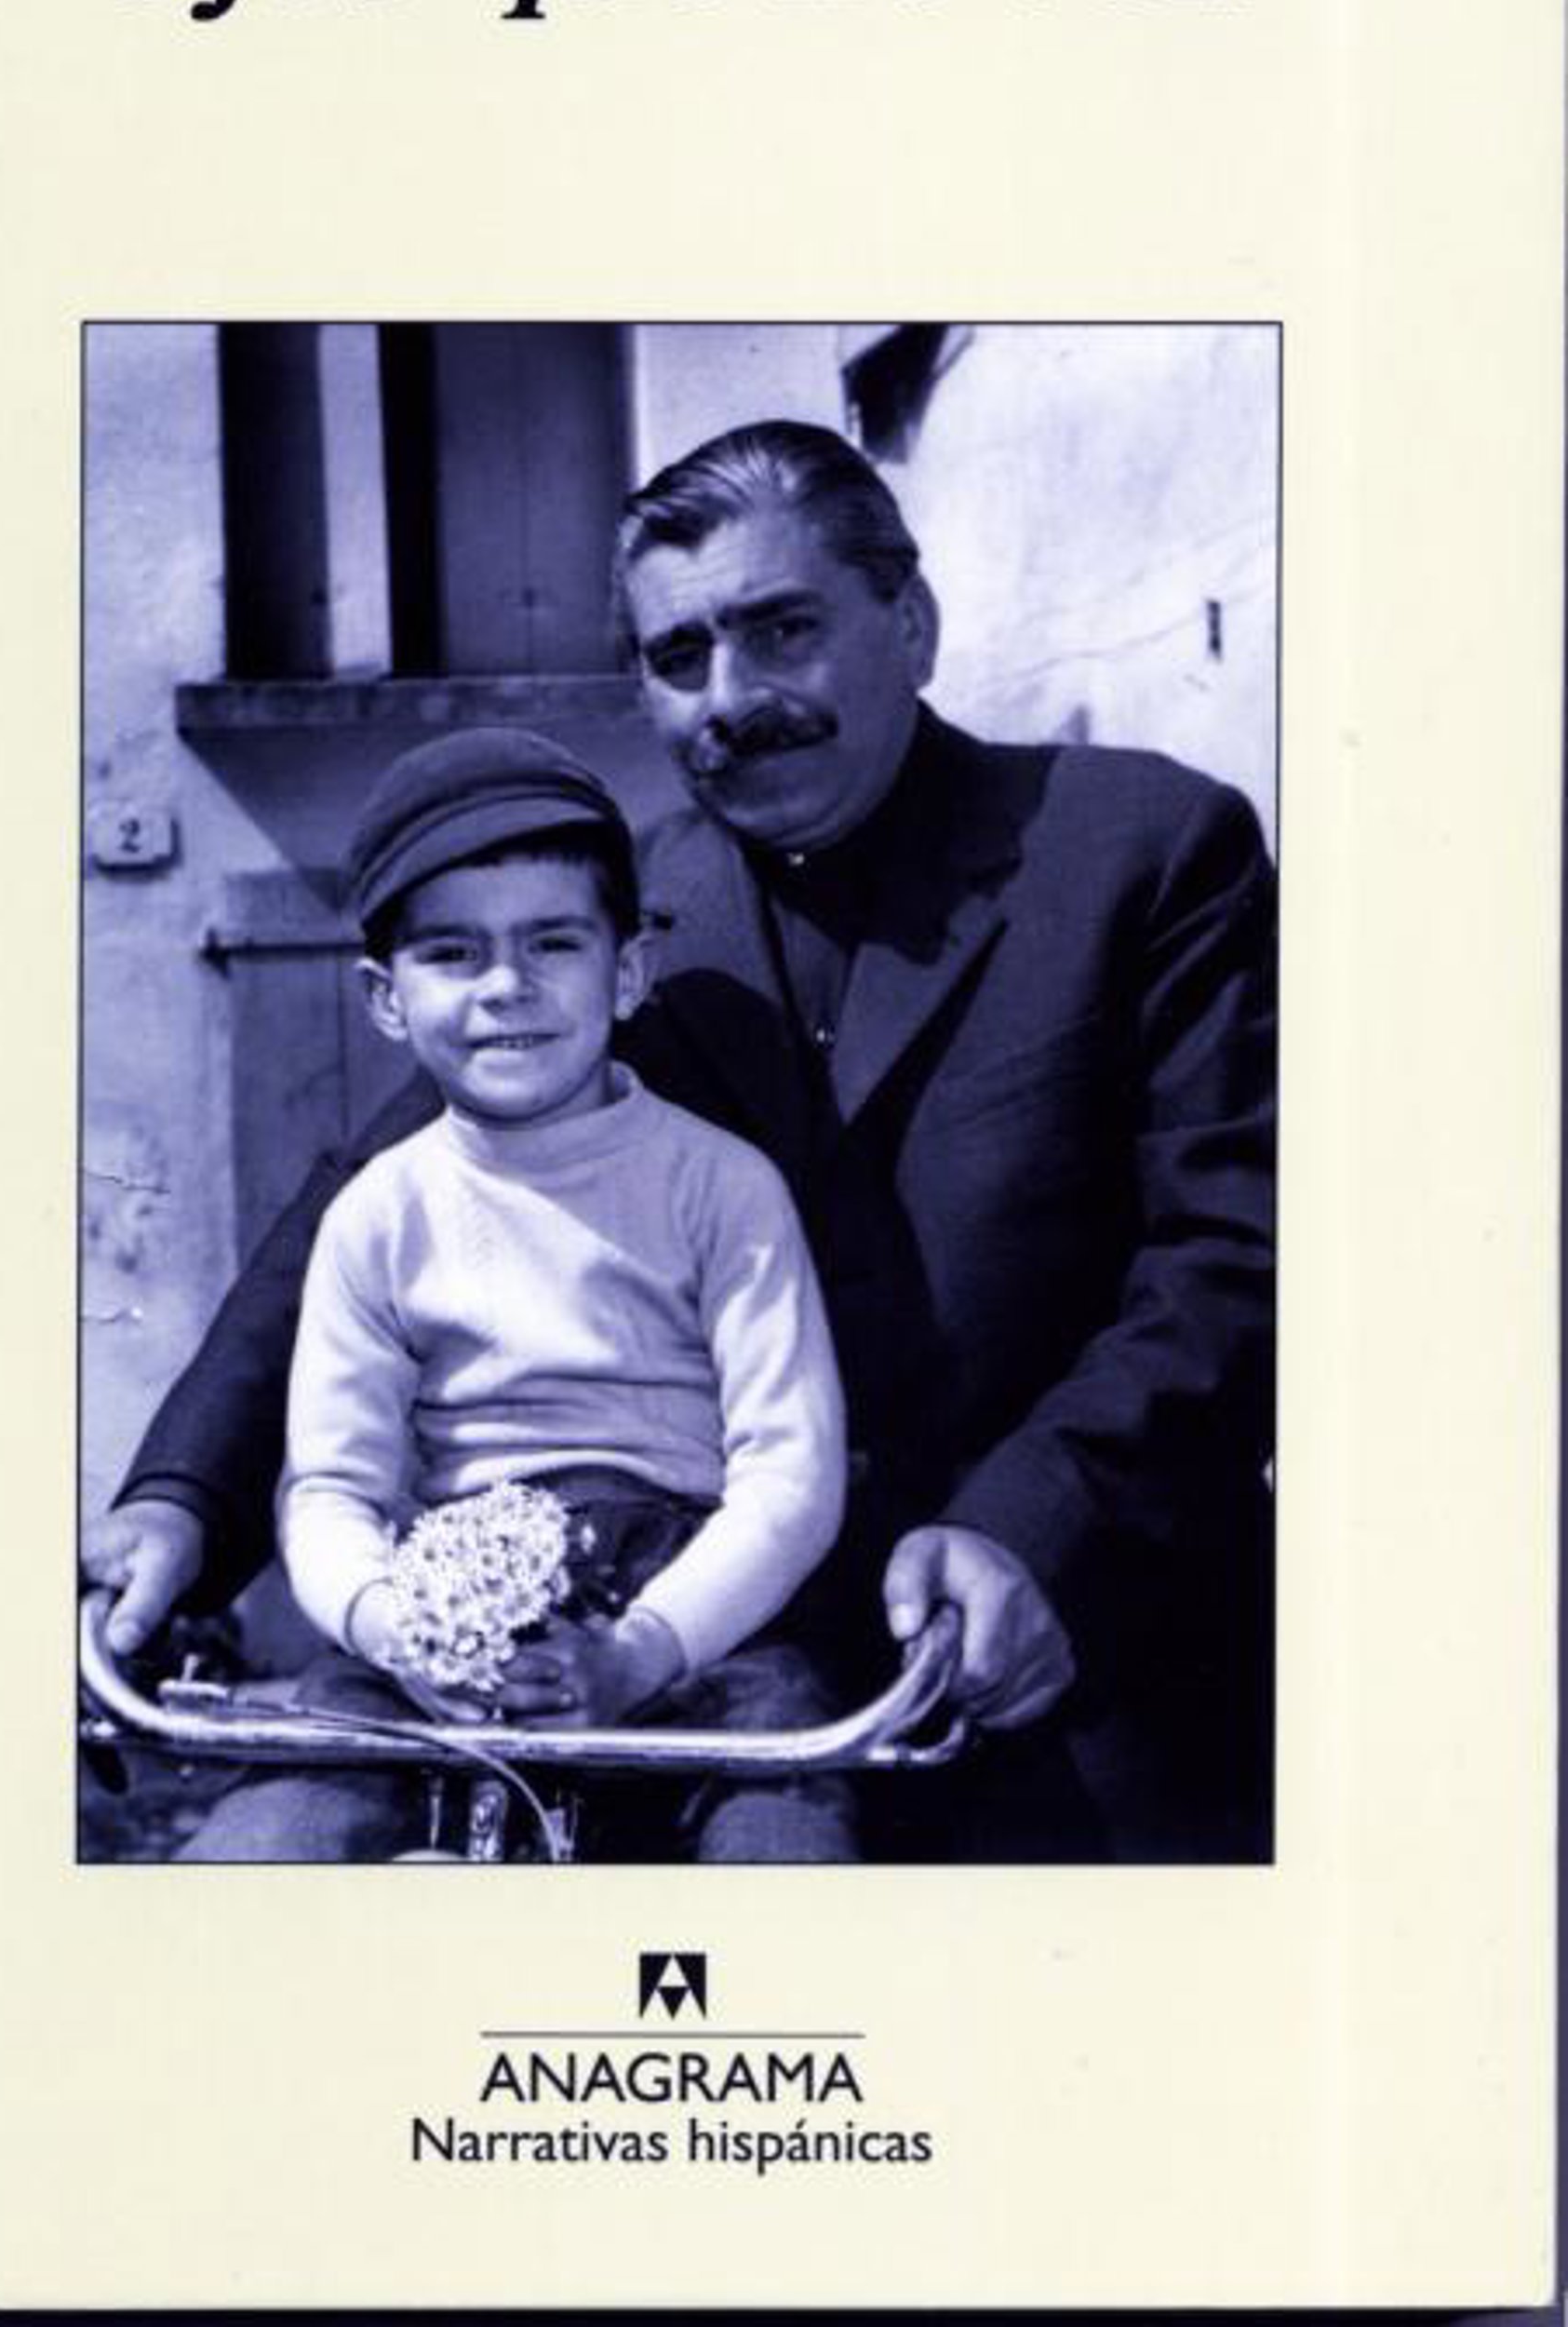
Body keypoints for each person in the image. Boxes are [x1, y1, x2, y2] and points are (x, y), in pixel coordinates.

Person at [86, 419, 1275, 1861]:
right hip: (698, 1702)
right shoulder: (605, 918)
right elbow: (366, 1199)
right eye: (679, 655)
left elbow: (1232, 1257)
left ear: (910, 623)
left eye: (784, 631)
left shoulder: (1142, 848)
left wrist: (1037, 1527)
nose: (733, 698)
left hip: (1074, 1686)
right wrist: (178, 1501)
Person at [261, 725, 851, 1863]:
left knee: (781, 1847)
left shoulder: (719, 1185)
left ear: (627, 972)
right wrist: (395, 1629)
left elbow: (791, 1474)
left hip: (692, 1614)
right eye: (452, 954)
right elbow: (330, 1487)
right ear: (386, 999)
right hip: (438, 1607)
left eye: (553, 942)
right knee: (273, 1842)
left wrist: (644, 1649)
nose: (506, 988)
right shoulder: (379, 1214)